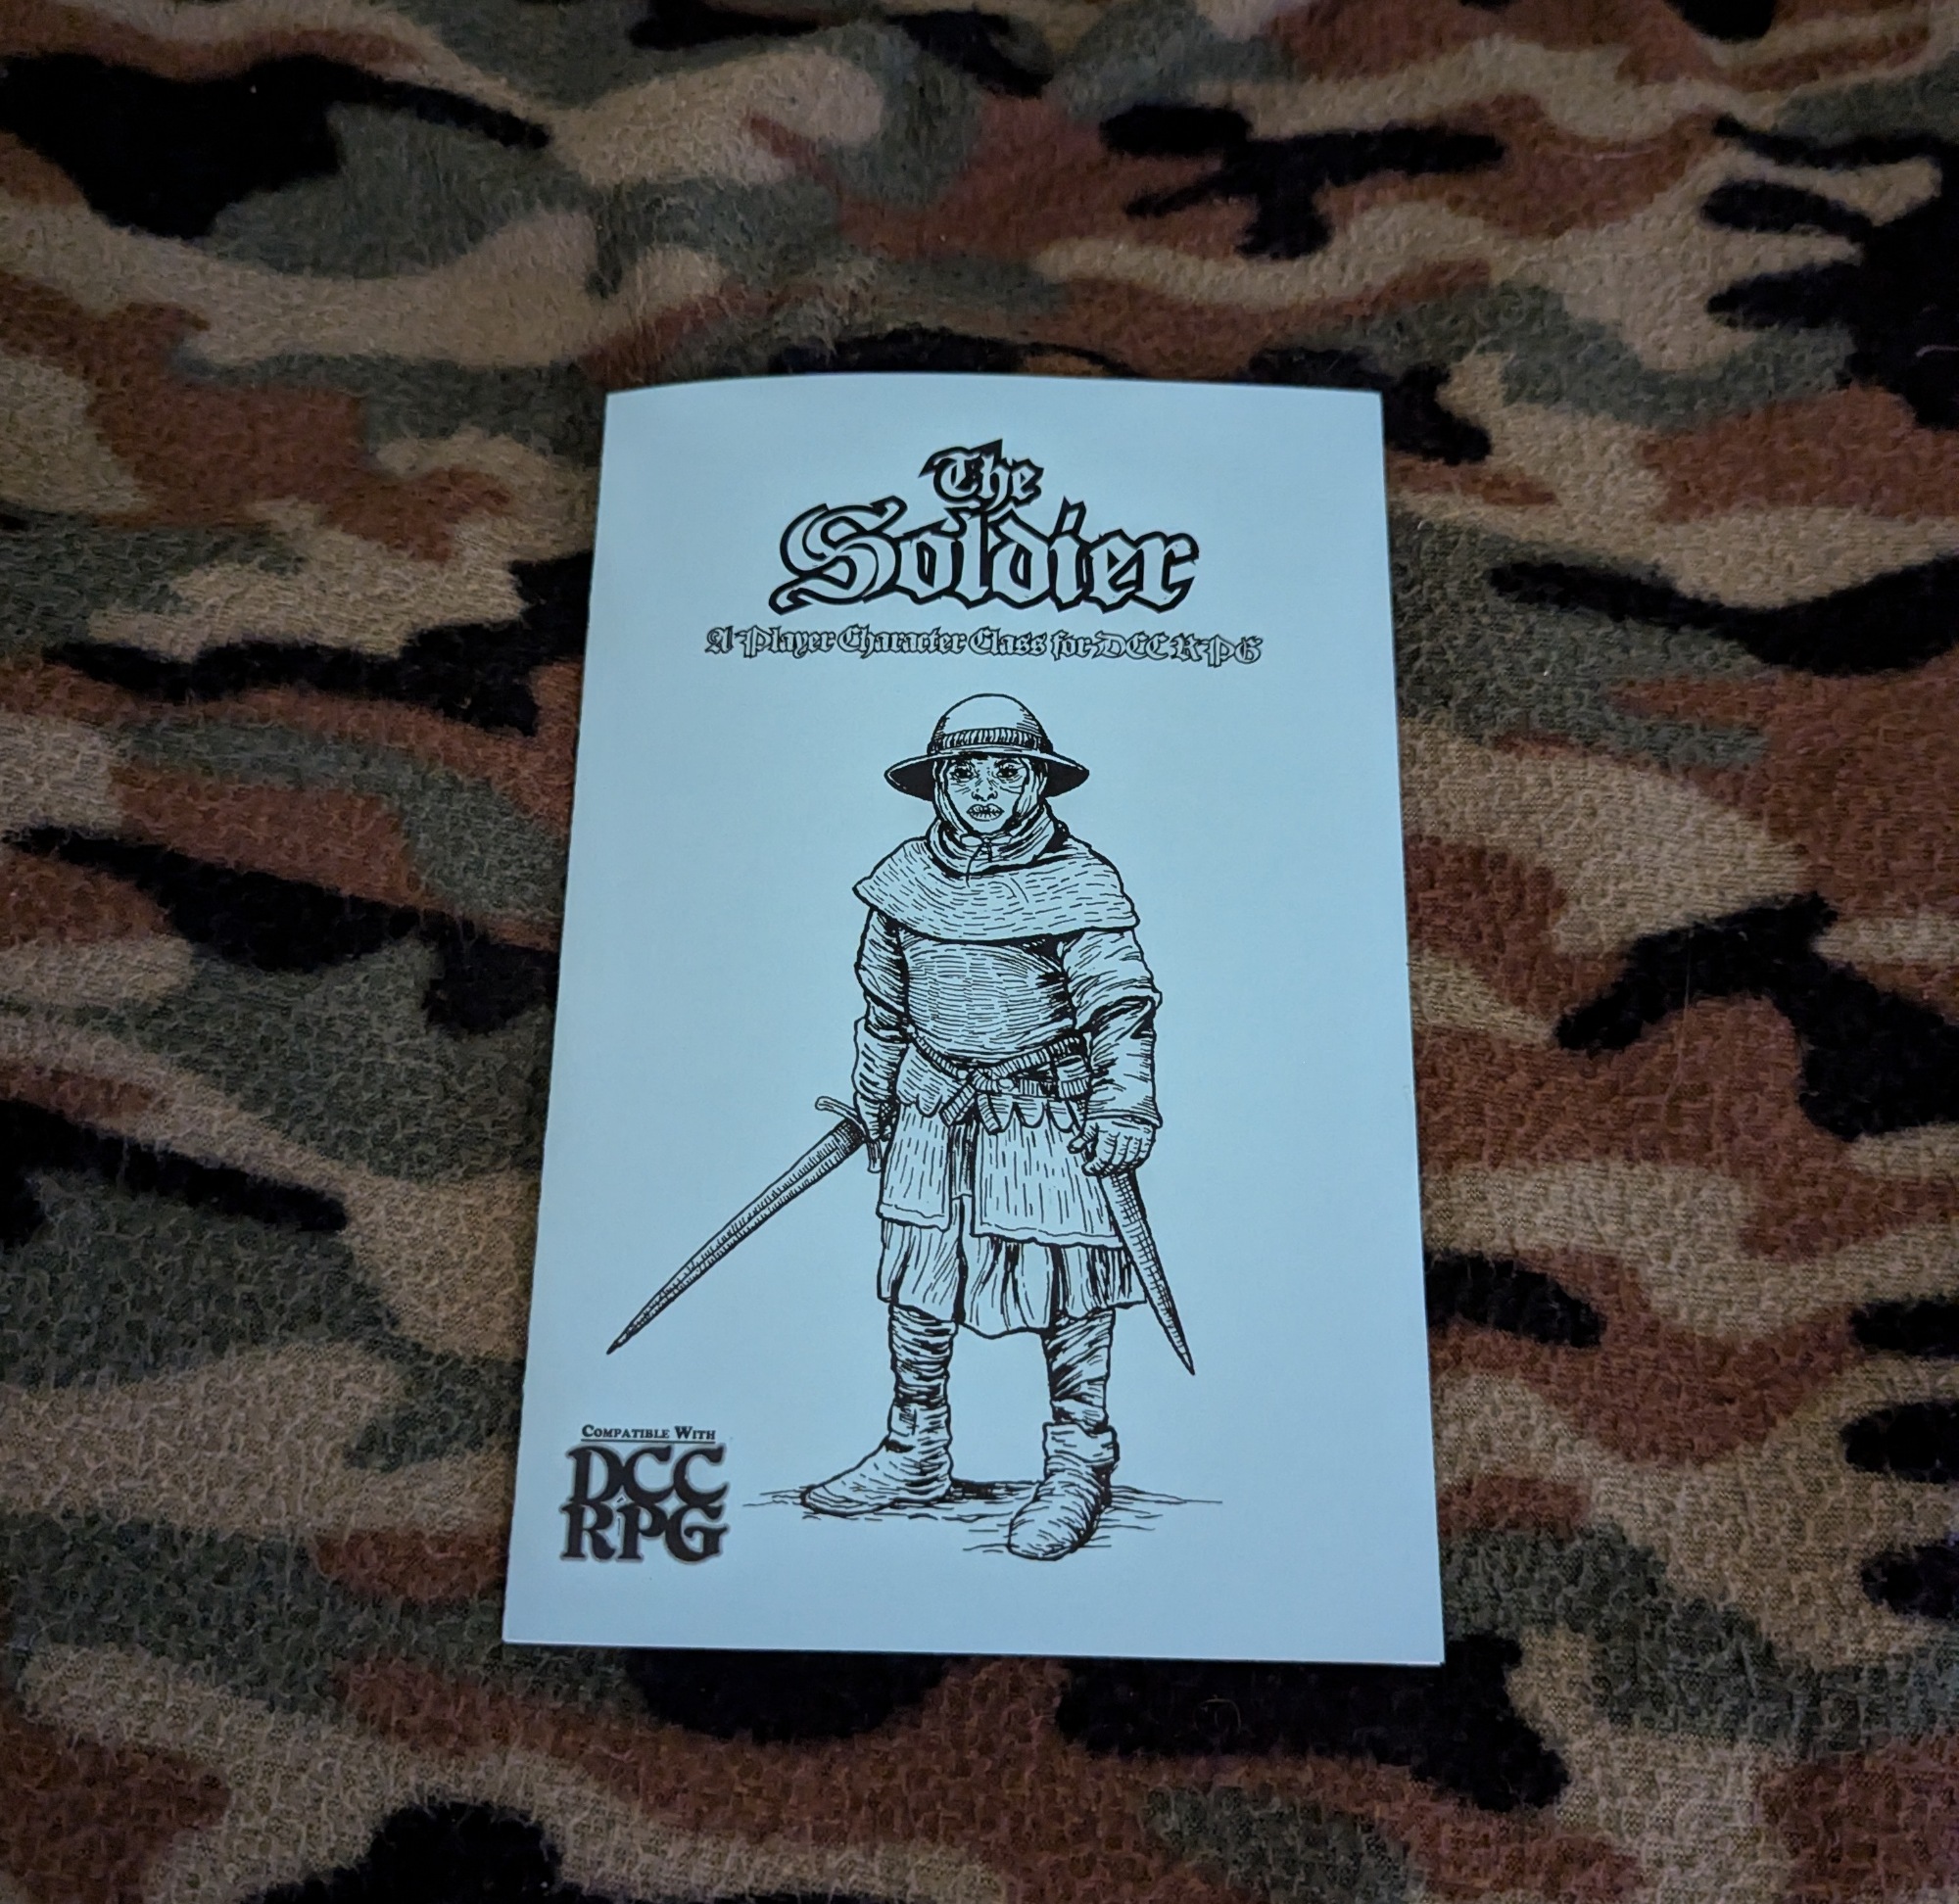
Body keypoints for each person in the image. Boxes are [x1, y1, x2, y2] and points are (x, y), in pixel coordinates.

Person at [800, 694, 1161, 1560]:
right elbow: (884, 1011)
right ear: (939, 784)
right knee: (919, 1278)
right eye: (965, 772)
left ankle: (1078, 1464)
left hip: (1043, 1111)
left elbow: (1119, 1007)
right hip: (931, 1107)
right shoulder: (904, 881)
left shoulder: (1079, 883)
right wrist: (874, 1101)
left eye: (1007, 771)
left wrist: (1123, 1102)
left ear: (1037, 781)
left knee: (1072, 1284)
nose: (985, 790)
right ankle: (914, 1450)